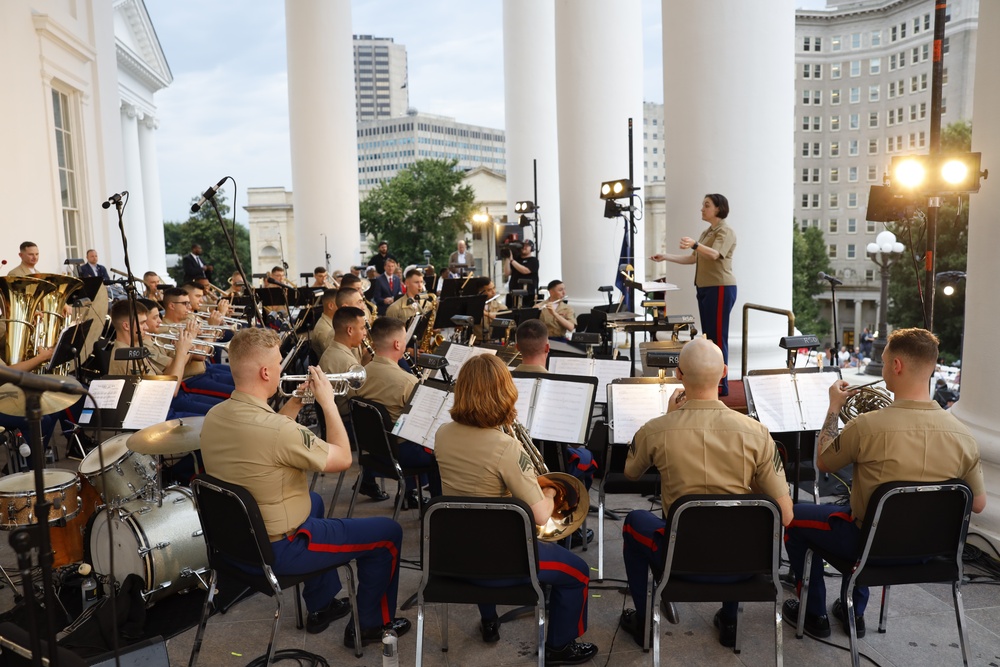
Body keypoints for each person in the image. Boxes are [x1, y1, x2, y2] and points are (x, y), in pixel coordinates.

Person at [199, 327, 409, 647]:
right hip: (280, 549)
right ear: (267, 372)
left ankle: (321, 604)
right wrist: (327, 403)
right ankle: (370, 626)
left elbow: (270, 437)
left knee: (314, 502)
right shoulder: (278, 430)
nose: (283, 369)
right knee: (388, 535)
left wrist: (297, 402)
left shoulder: (215, 416)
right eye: (280, 363)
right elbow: (340, 459)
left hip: (237, 545)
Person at [782, 328, 986, 640]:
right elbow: (979, 503)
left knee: (793, 517)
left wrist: (834, 407)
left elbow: (824, 461)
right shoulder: (963, 435)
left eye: (884, 358)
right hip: (932, 554)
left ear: (897, 365)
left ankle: (814, 613)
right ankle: (854, 611)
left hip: (868, 548)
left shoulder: (868, 426)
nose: (882, 362)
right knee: (875, 523)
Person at [619, 337, 793, 648]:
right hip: (744, 565)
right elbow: (787, 515)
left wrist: (670, 417)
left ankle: (645, 620)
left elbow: (631, 472)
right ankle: (729, 619)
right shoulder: (758, 433)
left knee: (634, 521)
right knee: (734, 519)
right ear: (725, 372)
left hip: (678, 561)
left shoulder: (656, 429)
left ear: (678, 376)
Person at [434, 355, 598, 664]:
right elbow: (540, 515)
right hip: (502, 561)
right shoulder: (506, 447)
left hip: (454, 554)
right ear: (504, 393)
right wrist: (549, 490)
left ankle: (489, 620)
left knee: (477, 524)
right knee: (578, 572)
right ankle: (560, 647)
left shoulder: (443, 434)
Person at [650, 194, 736, 396]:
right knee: (710, 337)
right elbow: (693, 259)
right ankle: (713, 381)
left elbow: (715, 254)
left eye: (707, 205)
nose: (702, 209)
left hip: (720, 286)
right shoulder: (708, 232)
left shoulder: (725, 231)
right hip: (705, 287)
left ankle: (722, 384)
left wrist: (695, 244)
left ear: (718, 209)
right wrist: (666, 256)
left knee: (718, 336)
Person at [355, 317, 440, 502]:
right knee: (441, 454)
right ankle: (437, 507)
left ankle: (409, 494)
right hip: (399, 453)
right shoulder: (407, 381)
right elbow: (425, 423)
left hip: (374, 449)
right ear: (397, 344)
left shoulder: (361, 373)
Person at [513, 319, 596, 495]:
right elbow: (575, 439)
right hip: (555, 471)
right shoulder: (566, 387)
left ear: (516, 348)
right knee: (587, 457)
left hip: (512, 467)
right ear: (547, 348)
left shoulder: (501, 384)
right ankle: (573, 511)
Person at [505, 240, 539, 307]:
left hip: (528, 293)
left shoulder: (533, 260)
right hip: (514, 291)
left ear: (531, 248)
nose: (524, 247)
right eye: (523, 245)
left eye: (527, 246)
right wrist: (508, 258)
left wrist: (512, 261)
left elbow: (525, 271)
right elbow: (507, 272)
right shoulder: (516, 260)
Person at [311, 289, 338, 358]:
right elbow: (334, 358)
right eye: (341, 303)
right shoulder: (324, 330)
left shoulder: (333, 321)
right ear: (331, 306)